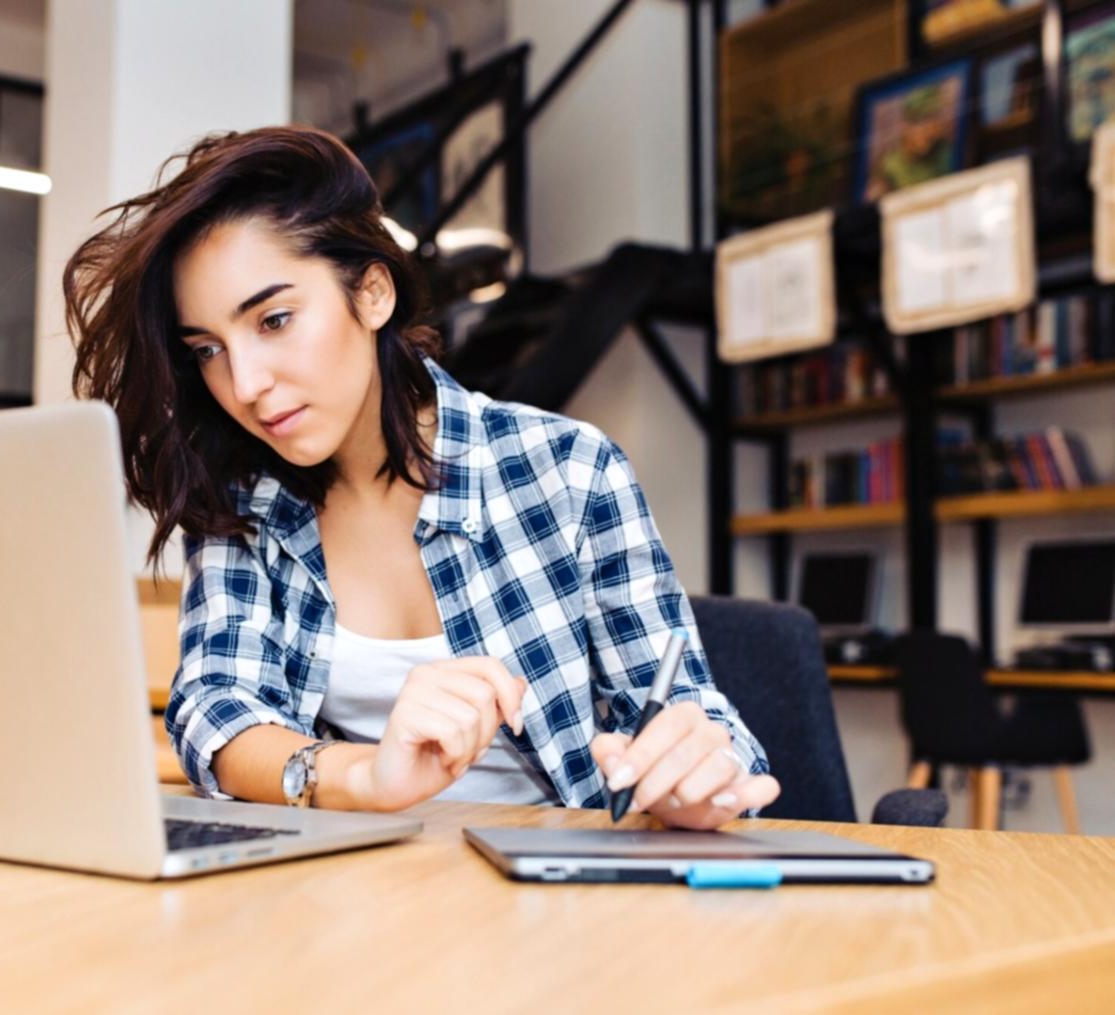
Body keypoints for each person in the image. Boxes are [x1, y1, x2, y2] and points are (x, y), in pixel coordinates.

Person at [64, 125, 780, 828]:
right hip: (352, 890)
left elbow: (696, 712)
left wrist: (693, 772)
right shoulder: (241, 498)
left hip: (561, 893)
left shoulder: (568, 470)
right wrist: (364, 775)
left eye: (274, 319)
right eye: (207, 350)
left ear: (372, 293)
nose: (244, 382)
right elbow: (217, 711)